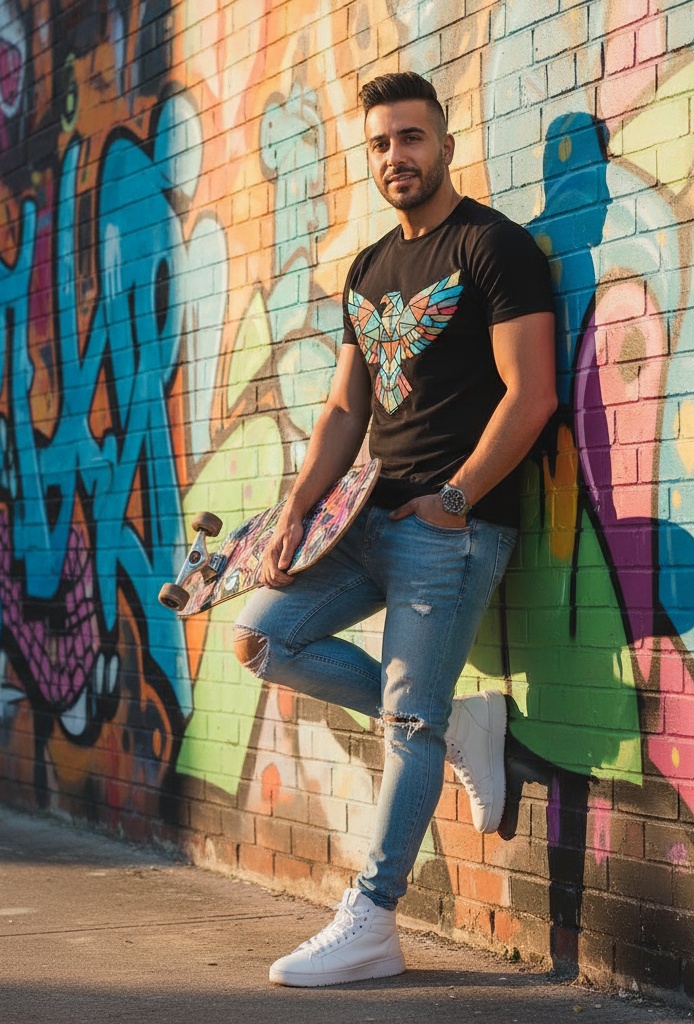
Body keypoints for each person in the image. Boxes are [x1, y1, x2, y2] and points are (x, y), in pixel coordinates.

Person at [233, 72, 557, 987]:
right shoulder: (369, 267)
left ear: (445, 144)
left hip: (451, 530)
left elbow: (531, 395)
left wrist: (454, 498)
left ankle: (373, 920)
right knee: (262, 639)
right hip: (365, 521)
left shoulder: (495, 248)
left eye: (411, 139)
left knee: (405, 723)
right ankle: (461, 721)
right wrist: (296, 512)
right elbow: (344, 407)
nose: (394, 157)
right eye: (379, 143)